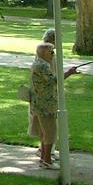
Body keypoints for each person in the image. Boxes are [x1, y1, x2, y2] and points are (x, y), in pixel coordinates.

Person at [28, 41, 78, 169]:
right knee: (50, 133)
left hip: (39, 104)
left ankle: (44, 158)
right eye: (51, 52)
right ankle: (47, 161)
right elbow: (54, 81)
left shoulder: (37, 63)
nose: (53, 54)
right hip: (46, 105)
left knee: (45, 133)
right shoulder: (43, 66)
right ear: (44, 53)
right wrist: (69, 73)